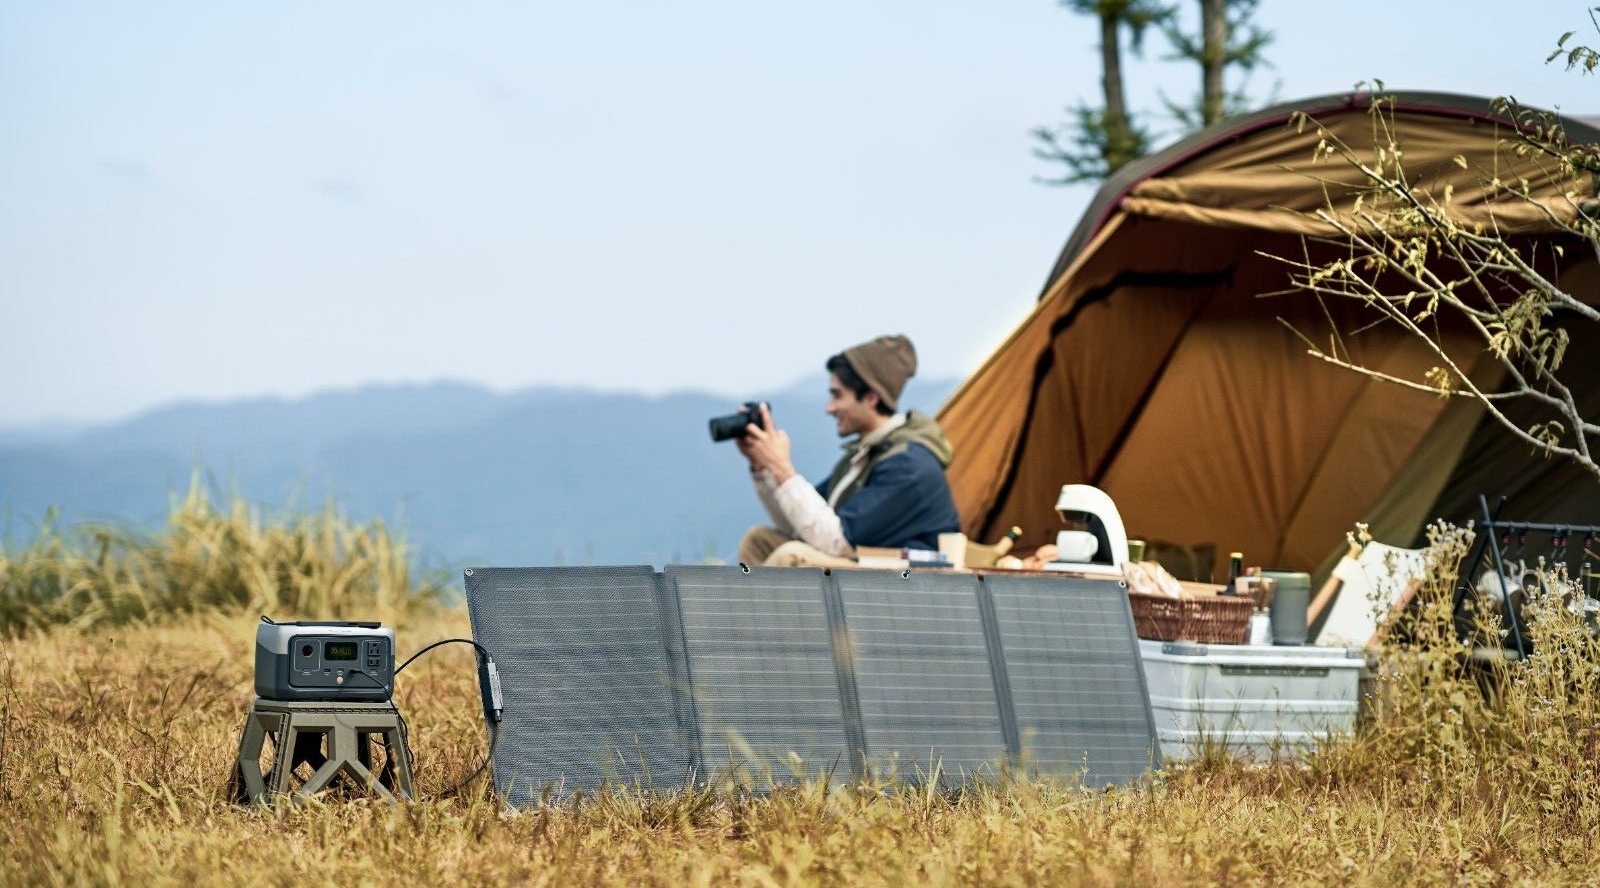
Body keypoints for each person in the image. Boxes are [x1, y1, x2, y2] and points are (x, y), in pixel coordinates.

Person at [735, 333, 961, 568]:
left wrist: (783, 467)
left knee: (792, 556)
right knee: (759, 540)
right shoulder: (865, 456)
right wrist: (763, 467)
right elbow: (801, 524)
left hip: (908, 581)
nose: (829, 408)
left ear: (871, 398)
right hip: (865, 566)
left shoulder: (908, 465)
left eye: (837, 395)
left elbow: (837, 541)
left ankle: (755, 605)